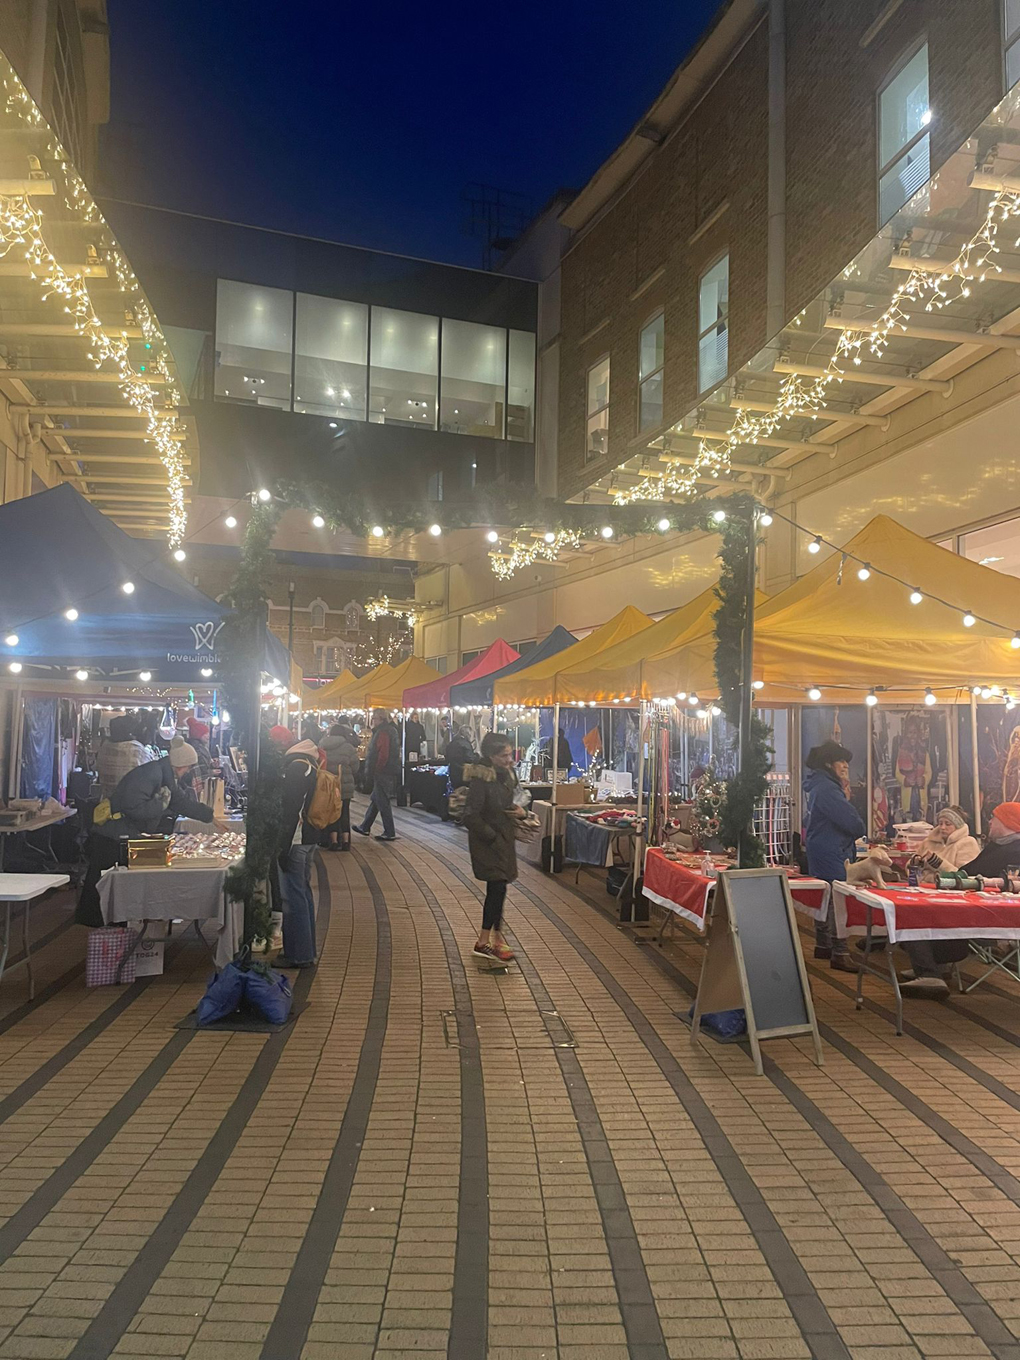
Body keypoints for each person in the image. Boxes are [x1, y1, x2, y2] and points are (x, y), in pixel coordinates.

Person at [76, 736, 214, 926]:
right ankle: (103, 927)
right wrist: (160, 804)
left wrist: (209, 816)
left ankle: (110, 923)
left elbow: (179, 802)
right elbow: (134, 808)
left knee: (105, 884)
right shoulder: (151, 774)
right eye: (189, 767)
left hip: (118, 833)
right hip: (112, 835)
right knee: (102, 884)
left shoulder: (163, 775)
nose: (188, 771)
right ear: (180, 764)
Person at [901, 802, 1020, 995]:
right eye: (940, 822)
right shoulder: (997, 847)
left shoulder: (1013, 851)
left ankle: (929, 972)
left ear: (1006, 822)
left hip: (988, 913)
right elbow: (969, 873)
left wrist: (939, 867)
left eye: (994, 818)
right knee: (917, 908)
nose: (989, 821)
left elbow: (970, 875)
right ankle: (930, 967)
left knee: (916, 912)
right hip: (969, 903)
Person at [804, 741, 865, 972]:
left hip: (821, 848)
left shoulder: (817, 786)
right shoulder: (828, 789)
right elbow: (853, 823)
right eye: (841, 761)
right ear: (829, 763)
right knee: (837, 901)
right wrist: (856, 818)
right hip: (833, 850)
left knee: (825, 898)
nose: (846, 765)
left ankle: (824, 945)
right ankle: (840, 952)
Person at [464, 733, 524, 963]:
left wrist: (522, 812)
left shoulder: (507, 775)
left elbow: (512, 803)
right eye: (504, 755)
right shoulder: (481, 779)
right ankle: (489, 940)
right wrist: (491, 836)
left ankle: (489, 940)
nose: (509, 759)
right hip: (488, 843)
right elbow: (470, 814)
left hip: (504, 840)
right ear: (491, 756)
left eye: (510, 754)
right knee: (497, 888)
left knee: (498, 890)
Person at [276, 737, 323, 968]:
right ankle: (306, 950)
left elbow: (290, 810)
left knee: (293, 898)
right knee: (303, 894)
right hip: (309, 838)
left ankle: (299, 955)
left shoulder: (296, 768)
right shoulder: (310, 764)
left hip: (296, 840)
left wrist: (282, 847)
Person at [353, 709, 400, 841]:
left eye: (374, 718)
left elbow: (383, 754)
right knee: (376, 799)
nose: (372, 721)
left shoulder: (383, 732)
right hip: (388, 770)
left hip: (383, 771)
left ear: (380, 719)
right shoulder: (390, 730)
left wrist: (377, 769)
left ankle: (389, 832)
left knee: (382, 801)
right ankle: (365, 826)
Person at [321, 721, 358, 850]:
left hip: (328, 784)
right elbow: (355, 767)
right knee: (344, 812)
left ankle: (334, 841)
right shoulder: (348, 747)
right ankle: (346, 841)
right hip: (345, 784)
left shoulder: (322, 745)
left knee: (332, 812)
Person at [95, 714, 150, 798]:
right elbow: (149, 770)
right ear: (130, 731)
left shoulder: (105, 746)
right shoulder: (136, 748)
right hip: (130, 800)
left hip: (108, 799)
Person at [914, 807, 980, 873]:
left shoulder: (967, 843)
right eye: (940, 823)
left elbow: (965, 875)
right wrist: (915, 862)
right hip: (921, 883)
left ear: (957, 826)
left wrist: (937, 862)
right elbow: (909, 867)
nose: (943, 827)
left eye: (948, 824)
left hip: (947, 883)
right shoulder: (928, 842)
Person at [444, 723, 477, 790]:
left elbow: (447, 757)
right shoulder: (465, 744)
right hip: (464, 774)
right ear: (468, 734)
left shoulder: (452, 743)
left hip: (453, 773)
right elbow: (470, 759)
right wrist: (477, 756)